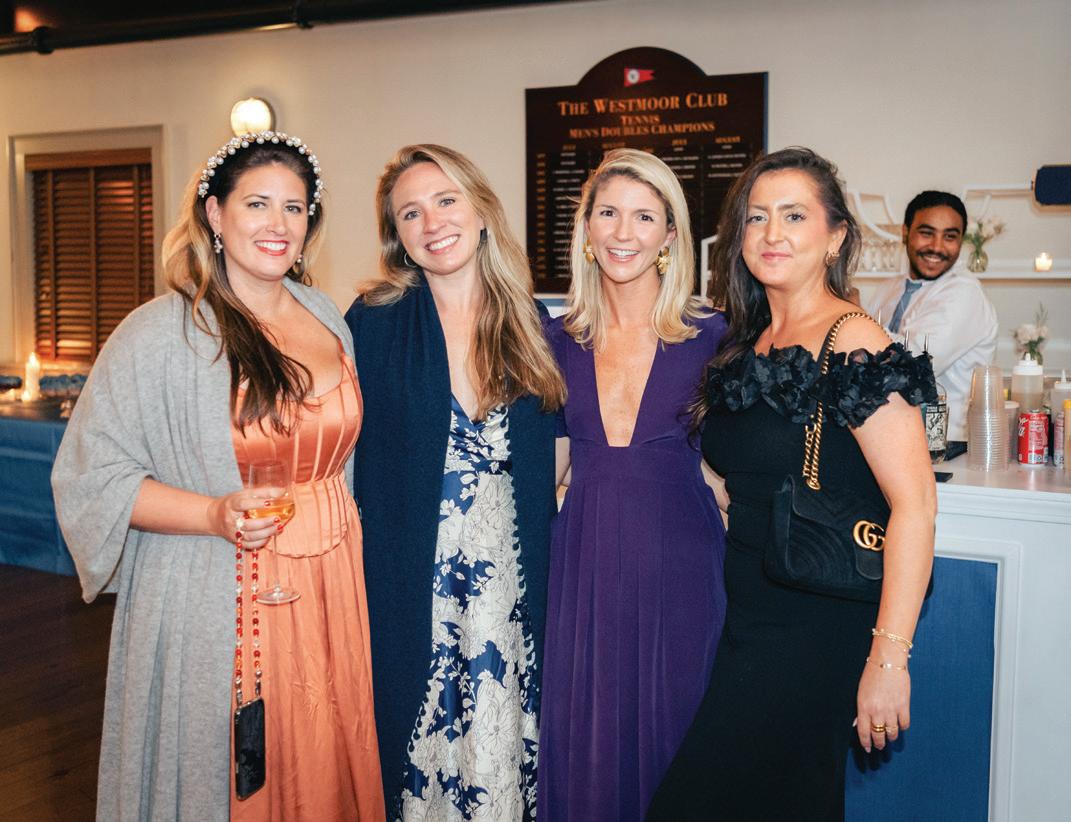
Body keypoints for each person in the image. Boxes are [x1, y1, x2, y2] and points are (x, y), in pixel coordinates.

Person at [52, 132, 384, 821]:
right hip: (222, 591)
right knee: (238, 775)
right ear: (214, 213)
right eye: (256, 203)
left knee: (322, 760)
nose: (277, 224)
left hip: (332, 585)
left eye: (294, 208)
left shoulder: (327, 315)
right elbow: (91, 475)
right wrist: (211, 514)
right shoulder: (161, 332)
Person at [647, 147, 937, 822]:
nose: (771, 233)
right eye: (756, 217)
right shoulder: (747, 340)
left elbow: (916, 506)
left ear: (835, 237)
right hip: (746, 610)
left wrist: (888, 660)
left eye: (794, 215)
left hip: (815, 622)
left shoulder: (854, 341)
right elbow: (740, 480)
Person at [344, 144, 565, 821]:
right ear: (397, 236)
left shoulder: (535, 325)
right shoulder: (371, 325)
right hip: (411, 583)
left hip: (507, 586)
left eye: (446, 200)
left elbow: (560, 455)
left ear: (481, 210)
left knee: (499, 749)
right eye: (410, 212)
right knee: (413, 751)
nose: (432, 221)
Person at [538, 148, 728, 822]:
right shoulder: (552, 339)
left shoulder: (714, 338)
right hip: (581, 566)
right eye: (609, 213)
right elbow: (547, 468)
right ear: (586, 228)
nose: (624, 233)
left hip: (681, 568)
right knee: (583, 748)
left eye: (645, 217)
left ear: (670, 236)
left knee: (676, 742)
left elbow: (733, 469)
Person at [866, 190, 998, 441]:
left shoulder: (965, 292)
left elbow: (915, 365)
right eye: (927, 233)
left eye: (950, 236)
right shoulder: (888, 288)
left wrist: (854, 317)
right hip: (889, 437)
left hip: (945, 445)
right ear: (905, 232)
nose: (937, 247)